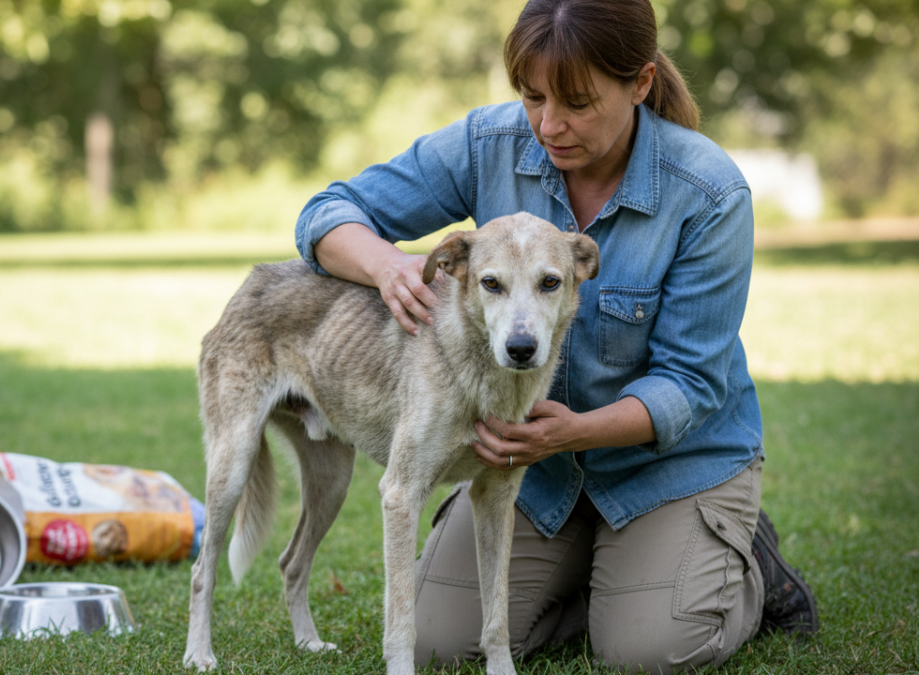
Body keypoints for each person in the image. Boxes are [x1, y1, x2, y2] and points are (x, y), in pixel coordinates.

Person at [294, 0, 818, 672]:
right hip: (534, 474)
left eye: (576, 102)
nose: (548, 124)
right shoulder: (488, 142)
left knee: (647, 651)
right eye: (532, 96)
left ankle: (738, 565)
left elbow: (690, 383)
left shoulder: (708, 192)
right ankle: (613, 583)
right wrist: (385, 264)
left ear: (641, 83)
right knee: (438, 645)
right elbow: (327, 212)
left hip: (665, 467)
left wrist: (573, 432)